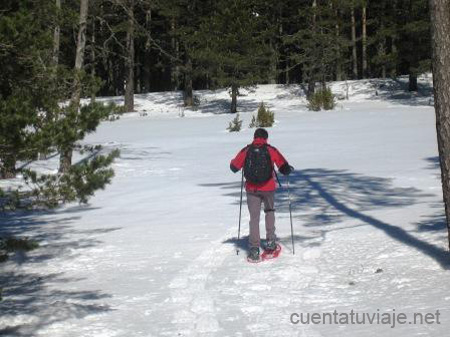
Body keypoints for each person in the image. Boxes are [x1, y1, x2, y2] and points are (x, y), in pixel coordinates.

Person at [230, 128, 293, 262]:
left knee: (254, 218)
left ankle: (254, 249)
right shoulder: (271, 149)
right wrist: (288, 169)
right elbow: (283, 166)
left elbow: (234, 167)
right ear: (266, 138)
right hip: (268, 187)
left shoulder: (246, 150)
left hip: (251, 189)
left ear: (254, 137)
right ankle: (270, 242)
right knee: (269, 212)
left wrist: (233, 162)